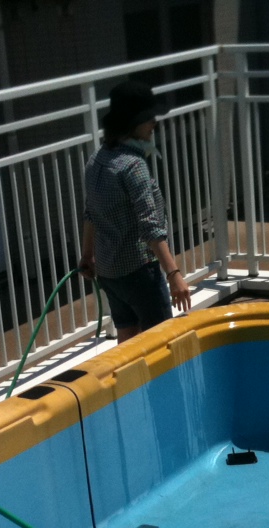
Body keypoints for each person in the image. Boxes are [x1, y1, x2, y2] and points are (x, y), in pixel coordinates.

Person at [79, 81, 191, 342]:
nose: (154, 123)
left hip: (109, 272)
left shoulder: (97, 159)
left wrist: (87, 255)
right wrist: (174, 274)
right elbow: (150, 227)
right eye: (148, 118)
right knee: (160, 343)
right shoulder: (133, 166)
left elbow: (91, 212)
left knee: (127, 340)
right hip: (139, 273)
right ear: (132, 123)